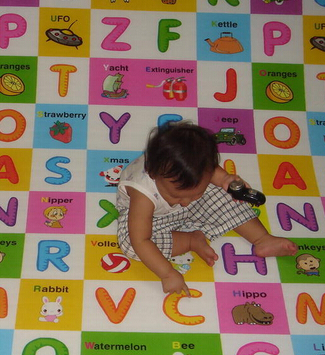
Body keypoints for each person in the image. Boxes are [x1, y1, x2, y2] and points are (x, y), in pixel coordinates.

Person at [116, 121, 297, 296]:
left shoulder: (199, 170)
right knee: (132, 244)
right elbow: (141, 240)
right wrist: (167, 273)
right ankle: (190, 240)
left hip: (187, 196)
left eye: (195, 194)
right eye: (176, 196)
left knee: (225, 194)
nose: (185, 203)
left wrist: (226, 180)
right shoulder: (142, 194)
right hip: (152, 216)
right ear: (154, 174)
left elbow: (213, 174)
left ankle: (262, 238)